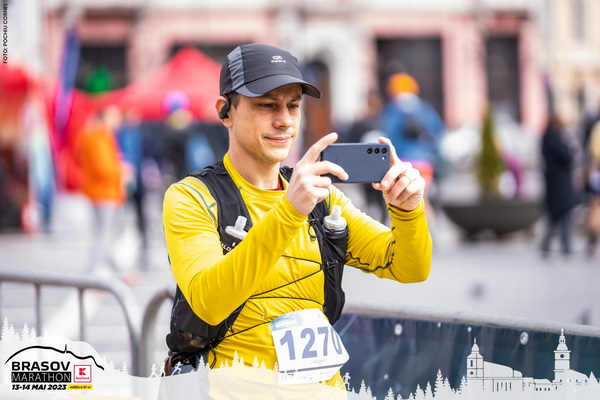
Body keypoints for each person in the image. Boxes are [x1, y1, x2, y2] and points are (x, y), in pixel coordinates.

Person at [162, 44, 432, 393]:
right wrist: (289, 212)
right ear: (225, 111)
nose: (284, 121)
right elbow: (209, 303)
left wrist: (408, 211)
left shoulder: (322, 197)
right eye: (266, 105)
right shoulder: (191, 197)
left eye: (293, 105)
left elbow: (410, 268)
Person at [378, 73, 445, 224]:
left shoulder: (391, 110)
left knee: (398, 200)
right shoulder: (423, 108)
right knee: (422, 198)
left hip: (400, 163)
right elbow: (438, 131)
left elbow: (386, 137)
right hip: (423, 162)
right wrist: (429, 151)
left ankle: (406, 232)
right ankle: (430, 231)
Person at [76, 105, 126, 273]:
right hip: (106, 191)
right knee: (104, 233)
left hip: (97, 190)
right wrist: (122, 170)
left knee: (103, 232)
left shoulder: (90, 135)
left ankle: (112, 269)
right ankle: (95, 270)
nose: (118, 121)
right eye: (114, 117)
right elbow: (104, 168)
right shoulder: (99, 136)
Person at [539, 114, 579, 258]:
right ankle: (565, 246)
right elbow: (567, 157)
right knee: (563, 215)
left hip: (554, 183)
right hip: (560, 183)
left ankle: (546, 244)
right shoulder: (555, 140)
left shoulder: (546, 138)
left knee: (555, 216)